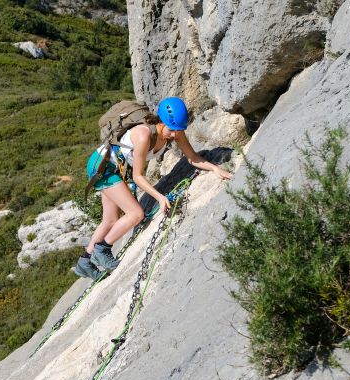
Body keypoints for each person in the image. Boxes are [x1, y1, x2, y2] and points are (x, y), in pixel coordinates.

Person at [74, 97, 234, 280]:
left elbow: (192, 157)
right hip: (102, 167)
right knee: (135, 214)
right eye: (171, 130)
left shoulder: (175, 130)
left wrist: (215, 168)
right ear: (161, 121)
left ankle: (84, 262)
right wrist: (159, 197)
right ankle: (102, 249)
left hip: (113, 167)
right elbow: (138, 177)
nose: (174, 135)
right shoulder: (143, 135)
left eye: (178, 130)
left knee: (110, 220)